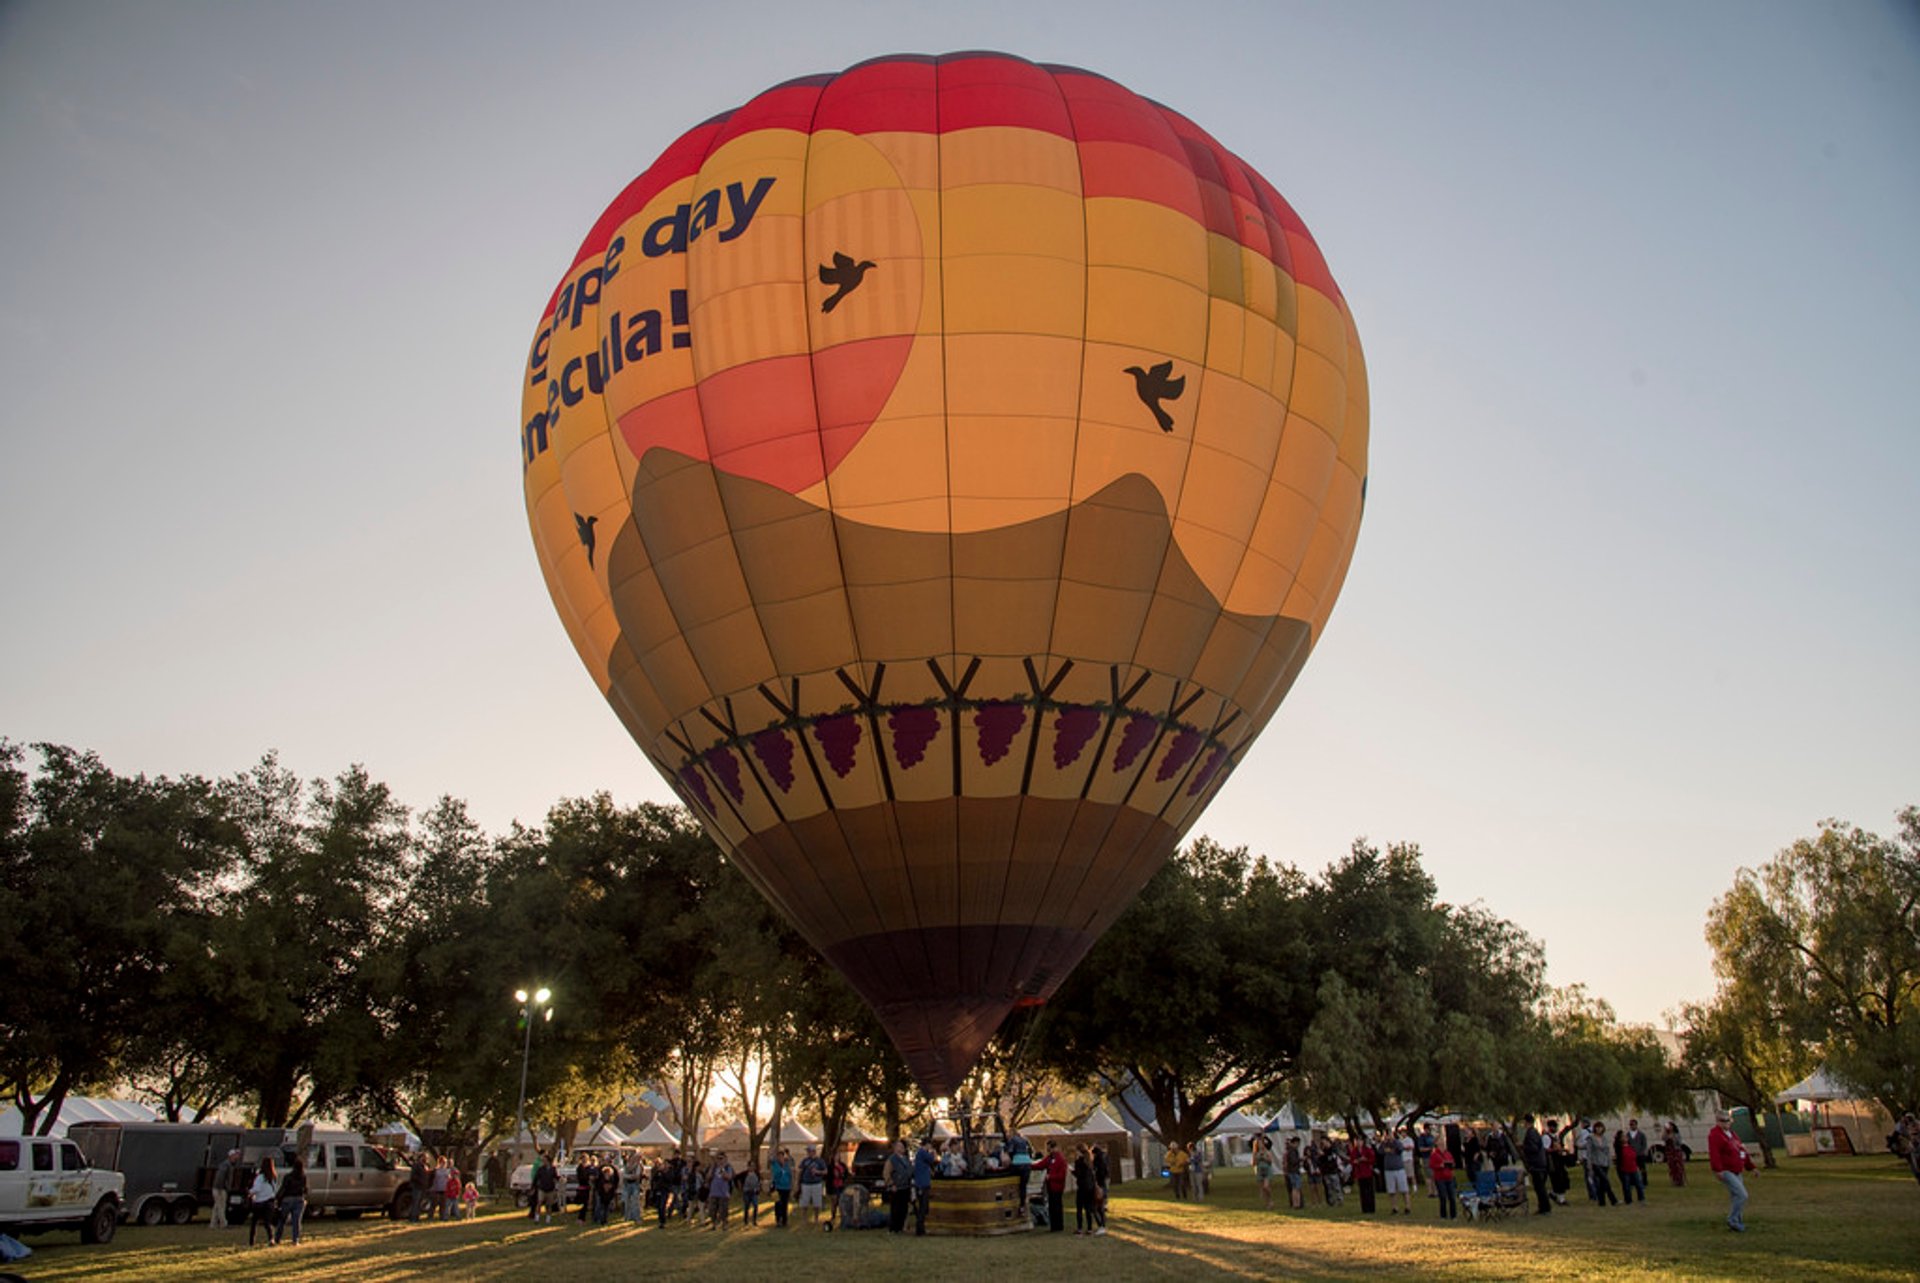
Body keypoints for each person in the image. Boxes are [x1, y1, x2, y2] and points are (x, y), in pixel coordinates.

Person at [1707, 1109, 1753, 1232]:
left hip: (1737, 1169)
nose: (1726, 1123)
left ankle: (1737, 1222)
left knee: (1736, 1196)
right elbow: (1714, 1154)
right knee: (1742, 1195)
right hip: (1726, 1170)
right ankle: (1732, 1219)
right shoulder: (1715, 1135)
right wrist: (1718, 1170)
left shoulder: (1732, 1135)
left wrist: (1750, 1166)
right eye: (1723, 1121)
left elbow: (1741, 1150)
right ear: (1717, 1121)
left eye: (1728, 1120)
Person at [1521, 1115, 1552, 1215]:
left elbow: (1533, 1148)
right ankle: (1544, 1206)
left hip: (1536, 1164)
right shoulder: (1534, 1132)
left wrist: (1523, 1147)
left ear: (1527, 1122)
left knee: (1540, 1187)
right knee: (1540, 1186)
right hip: (1539, 1163)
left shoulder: (1531, 1133)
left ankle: (1545, 1207)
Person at [247, 1156, 280, 1247]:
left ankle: (251, 1242)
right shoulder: (273, 1177)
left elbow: (257, 1189)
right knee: (267, 1223)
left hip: (260, 1202)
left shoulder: (260, 1177)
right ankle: (271, 1239)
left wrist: (249, 1192)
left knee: (254, 1223)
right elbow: (275, 1189)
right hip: (270, 1202)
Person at [275, 1156, 308, 1245]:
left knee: (282, 1220)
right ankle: (295, 1240)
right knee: (296, 1221)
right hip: (299, 1199)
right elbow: (305, 1189)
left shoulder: (288, 1177)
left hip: (287, 1199)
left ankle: (277, 1238)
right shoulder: (303, 1177)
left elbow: (283, 1188)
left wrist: (278, 1198)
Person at [1585, 1121, 1618, 1206]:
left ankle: (1602, 1201)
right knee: (1605, 1180)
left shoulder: (1604, 1138)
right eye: (1597, 1127)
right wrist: (1589, 1165)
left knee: (1602, 1183)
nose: (1599, 1129)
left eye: (1600, 1127)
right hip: (1595, 1163)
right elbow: (1589, 1152)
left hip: (1604, 1163)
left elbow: (1607, 1151)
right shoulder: (1590, 1138)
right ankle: (1613, 1200)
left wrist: (1610, 1161)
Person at [1038, 1139, 1069, 1231]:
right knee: (1052, 1206)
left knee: (1057, 1206)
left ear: (1053, 1147)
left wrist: (1051, 1177)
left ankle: (1058, 1225)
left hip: (1057, 1187)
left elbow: (1062, 1175)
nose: (1048, 1150)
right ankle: (1054, 1226)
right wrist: (1029, 1165)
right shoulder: (1050, 1158)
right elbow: (1041, 1165)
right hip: (1050, 1186)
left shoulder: (1060, 1159)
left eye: (1049, 1148)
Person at [1380, 1127, 1412, 1214]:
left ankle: (1407, 1206)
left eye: (1389, 1134)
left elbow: (1400, 1149)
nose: (1388, 1136)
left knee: (1404, 1189)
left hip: (1399, 1168)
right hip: (1388, 1169)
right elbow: (1380, 1152)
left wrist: (1393, 1141)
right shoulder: (1384, 1144)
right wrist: (1384, 1142)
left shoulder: (1397, 1142)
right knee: (1391, 1190)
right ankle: (1394, 1207)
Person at [883, 1139, 912, 1234]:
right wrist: (891, 1184)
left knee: (904, 1209)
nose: (901, 1148)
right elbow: (886, 1173)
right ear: (895, 1148)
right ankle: (893, 1228)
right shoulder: (892, 1160)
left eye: (902, 1147)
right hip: (896, 1187)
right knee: (895, 1208)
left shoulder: (906, 1159)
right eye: (899, 1147)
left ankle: (900, 1227)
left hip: (905, 1186)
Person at [911, 1137, 937, 1235]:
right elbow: (932, 1159)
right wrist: (933, 1153)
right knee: (923, 1207)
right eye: (930, 1145)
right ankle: (920, 1229)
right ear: (926, 1144)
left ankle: (921, 1227)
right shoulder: (922, 1153)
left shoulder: (920, 1154)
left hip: (922, 1183)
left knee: (924, 1206)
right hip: (922, 1184)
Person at [796, 1144, 827, 1226]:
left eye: (809, 1151)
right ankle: (804, 1219)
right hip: (806, 1183)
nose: (808, 1153)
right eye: (807, 1151)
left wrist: (818, 1172)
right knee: (804, 1202)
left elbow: (825, 1171)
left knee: (816, 1202)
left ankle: (816, 1219)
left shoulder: (820, 1161)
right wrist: (798, 1182)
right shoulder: (805, 1160)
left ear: (814, 1151)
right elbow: (800, 1171)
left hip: (816, 1183)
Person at [1429, 1139, 1458, 1221]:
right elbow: (1431, 1165)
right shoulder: (1434, 1155)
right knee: (1443, 1196)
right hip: (1440, 1178)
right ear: (1438, 1146)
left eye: (1444, 1145)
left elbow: (1453, 1163)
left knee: (1452, 1197)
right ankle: (1443, 1215)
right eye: (1441, 1145)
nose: (1443, 1146)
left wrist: (1451, 1164)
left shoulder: (1448, 1154)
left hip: (1449, 1177)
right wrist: (1439, 1166)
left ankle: (1453, 1215)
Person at [1072, 1143, 1097, 1234]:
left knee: (1079, 1208)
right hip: (1090, 1187)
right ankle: (1089, 1228)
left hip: (1082, 1187)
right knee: (1088, 1208)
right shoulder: (1089, 1161)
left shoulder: (1079, 1162)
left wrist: (1072, 1171)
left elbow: (1078, 1174)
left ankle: (1080, 1228)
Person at [210, 1148, 238, 1230]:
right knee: (221, 1206)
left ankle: (213, 1224)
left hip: (218, 1188)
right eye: (235, 1156)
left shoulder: (226, 1164)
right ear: (230, 1156)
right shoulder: (226, 1165)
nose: (236, 1157)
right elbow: (220, 1177)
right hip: (220, 1189)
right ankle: (223, 1224)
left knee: (217, 1206)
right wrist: (223, 1187)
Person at [1616, 1129, 1645, 1204]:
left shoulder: (1631, 1147)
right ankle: (1628, 1200)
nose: (1625, 1138)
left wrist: (1638, 1167)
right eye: (1623, 1137)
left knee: (1639, 1184)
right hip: (1625, 1170)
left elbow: (1635, 1157)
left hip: (1634, 1168)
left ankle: (1641, 1199)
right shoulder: (1619, 1149)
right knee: (1627, 1186)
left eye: (1625, 1136)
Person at [1350, 1134, 1377, 1215]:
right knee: (1363, 1192)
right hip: (1360, 1173)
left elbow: (1372, 1159)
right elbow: (1352, 1160)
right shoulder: (1354, 1151)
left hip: (1367, 1172)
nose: (1358, 1143)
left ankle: (1371, 1208)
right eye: (1357, 1141)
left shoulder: (1367, 1150)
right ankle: (1365, 1208)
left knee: (1369, 1191)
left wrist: (1365, 1160)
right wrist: (1355, 1161)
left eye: (1360, 1141)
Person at [769, 1147, 793, 1227]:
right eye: (778, 1157)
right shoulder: (775, 1165)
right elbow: (775, 1174)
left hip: (786, 1187)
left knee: (784, 1204)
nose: (780, 1158)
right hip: (777, 1187)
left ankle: (784, 1220)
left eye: (781, 1156)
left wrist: (791, 1185)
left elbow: (790, 1175)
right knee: (777, 1204)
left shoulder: (787, 1165)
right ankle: (778, 1220)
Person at [1252, 1133, 1277, 1210]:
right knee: (1263, 1188)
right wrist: (1257, 1158)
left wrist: (1265, 1158)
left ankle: (1271, 1200)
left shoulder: (1267, 1151)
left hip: (1267, 1170)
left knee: (1266, 1187)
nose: (1260, 1145)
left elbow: (1270, 1161)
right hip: (1260, 1169)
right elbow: (1254, 1163)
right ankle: (1268, 1203)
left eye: (1261, 1144)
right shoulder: (1256, 1153)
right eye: (1259, 1144)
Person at [532, 1152, 557, 1224]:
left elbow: (555, 1177)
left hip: (550, 1189)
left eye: (545, 1160)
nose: (544, 1162)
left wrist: (560, 1179)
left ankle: (548, 1219)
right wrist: (533, 1187)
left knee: (549, 1204)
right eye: (543, 1160)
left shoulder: (553, 1169)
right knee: (539, 1203)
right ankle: (536, 1218)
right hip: (542, 1188)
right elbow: (536, 1178)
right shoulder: (541, 1169)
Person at [1090, 1143, 1109, 1235]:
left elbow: (1098, 1174)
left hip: (1098, 1186)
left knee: (1095, 1208)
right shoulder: (1103, 1160)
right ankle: (1103, 1225)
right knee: (1100, 1207)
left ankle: (1101, 1225)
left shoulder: (1097, 1162)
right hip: (1102, 1185)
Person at [1662, 1122, 1689, 1187]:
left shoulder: (1677, 1134)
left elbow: (1679, 1142)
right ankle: (1674, 1181)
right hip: (1669, 1152)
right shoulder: (1666, 1134)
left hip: (1676, 1151)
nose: (1669, 1127)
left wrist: (1673, 1138)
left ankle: (1681, 1181)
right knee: (1672, 1167)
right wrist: (1665, 1132)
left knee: (1679, 1166)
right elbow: (1663, 1138)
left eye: (1670, 1126)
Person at [1283, 1136, 1306, 1209]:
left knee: (1294, 1188)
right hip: (1294, 1171)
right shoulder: (1293, 1151)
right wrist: (1300, 1159)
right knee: (1297, 1188)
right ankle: (1297, 1203)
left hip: (1291, 1171)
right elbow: (1293, 1161)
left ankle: (1295, 1203)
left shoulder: (1289, 1151)